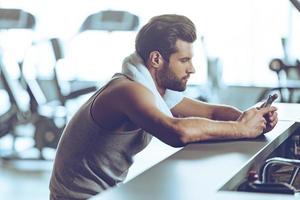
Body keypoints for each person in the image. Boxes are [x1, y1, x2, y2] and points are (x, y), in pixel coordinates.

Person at [49, 14, 278, 200]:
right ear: (156, 60)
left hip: (108, 193)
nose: (192, 69)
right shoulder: (127, 91)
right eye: (184, 61)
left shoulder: (154, 89)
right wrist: (243, 129)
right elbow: (176, 131)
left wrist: (250, 118)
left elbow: (211, 112)